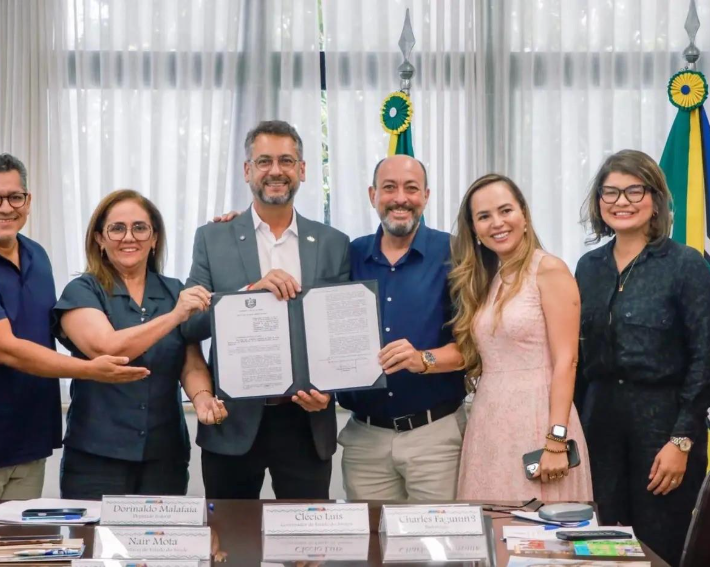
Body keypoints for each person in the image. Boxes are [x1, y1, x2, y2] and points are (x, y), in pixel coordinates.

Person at [0, 153, 148, 518]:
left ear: (28, 201)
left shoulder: (36, 255)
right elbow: (7, 350)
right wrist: (90, 370)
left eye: (15, 197)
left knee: (24, 546)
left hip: (29, 444)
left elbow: (48, 331)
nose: (5, 208)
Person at [182, 120, 350, 499]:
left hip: (306, 421)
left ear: (302, 170)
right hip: (233, 422)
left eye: (286, 161)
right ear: (247, 170)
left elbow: (340, 333)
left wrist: (330, 390)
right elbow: (189, 326)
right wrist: (247, 295)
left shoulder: (333, 243)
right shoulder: (212, 238)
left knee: (308, 533)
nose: (276, 171)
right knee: (228, 534)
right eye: (264, 161)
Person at [575, 149, 710, 565]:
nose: (621, 201)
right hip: (599, 423)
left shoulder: (685, 265)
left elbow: (706, 361)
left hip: (663, 425)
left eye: (634, 191)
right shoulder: (587, 267)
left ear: (655, 200)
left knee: (659, 547)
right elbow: (578, 359)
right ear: (599, 202)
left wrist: (681, 441)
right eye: (610, 192)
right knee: (601, 548)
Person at [52, 190, 224, 499]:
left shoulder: (174, 291)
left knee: (163, 534)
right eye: (117, 228)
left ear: (154, 238)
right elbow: (107, 348)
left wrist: (202, 399)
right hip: (96, 459)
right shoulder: (82, 290)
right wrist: (175, 316)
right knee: (96, 533)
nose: (129, 237)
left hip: (165, 457)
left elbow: (191, 363)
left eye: (140, 228)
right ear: (99, 239)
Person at [453, 173, 592, 501]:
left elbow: (567, 361)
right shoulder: (487, 278)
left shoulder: (549, 270)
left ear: (524, 216)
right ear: (474, 229)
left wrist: (556, 440)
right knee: (489, 523)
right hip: (488, 422)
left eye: (505, 210)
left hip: (538, 419)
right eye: (484, 216)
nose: (497, 223)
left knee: (537, 527)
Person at [336, 155, 467, 500]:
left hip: (436, 439)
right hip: (365, 441)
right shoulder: (349, 254)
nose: (400, 198)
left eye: (411, 188)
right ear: (373, 195)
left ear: (426, 195)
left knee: (440, 537)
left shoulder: (456, 252)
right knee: (370, 537)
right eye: (389, 188)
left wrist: (423, 360)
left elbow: (475, 346)